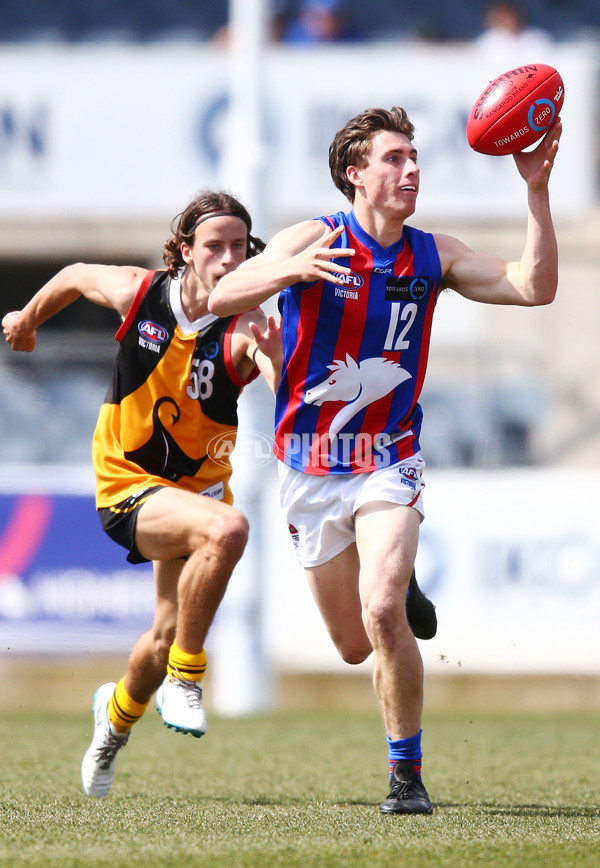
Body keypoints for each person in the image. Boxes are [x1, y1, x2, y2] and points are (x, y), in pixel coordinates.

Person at [208, 106, 561, 814]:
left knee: (380, 609)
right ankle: (398, 579)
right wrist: (291, 266)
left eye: (413, 158)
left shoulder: (434, 254)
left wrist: (535, 191)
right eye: (394, 159)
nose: (411, 170)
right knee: (350, 645)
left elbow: (534, 286)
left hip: (386, 458)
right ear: (355, 174)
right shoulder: (314, 236)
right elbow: (219, 296)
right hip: (308, 468)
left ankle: (407, 777)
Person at [2, 190, 281, 798]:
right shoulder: (141, 293)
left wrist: (277, 356)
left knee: (159, 636)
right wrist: (26, 320)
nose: (229, 259)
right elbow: (76, 275)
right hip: (127, 484)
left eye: (240, 247)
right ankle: (190, 676)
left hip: (196, 492)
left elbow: (275, 376)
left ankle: (113, 724)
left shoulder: (247, 323)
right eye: (214, 246)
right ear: (184, 252)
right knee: (229, 531)